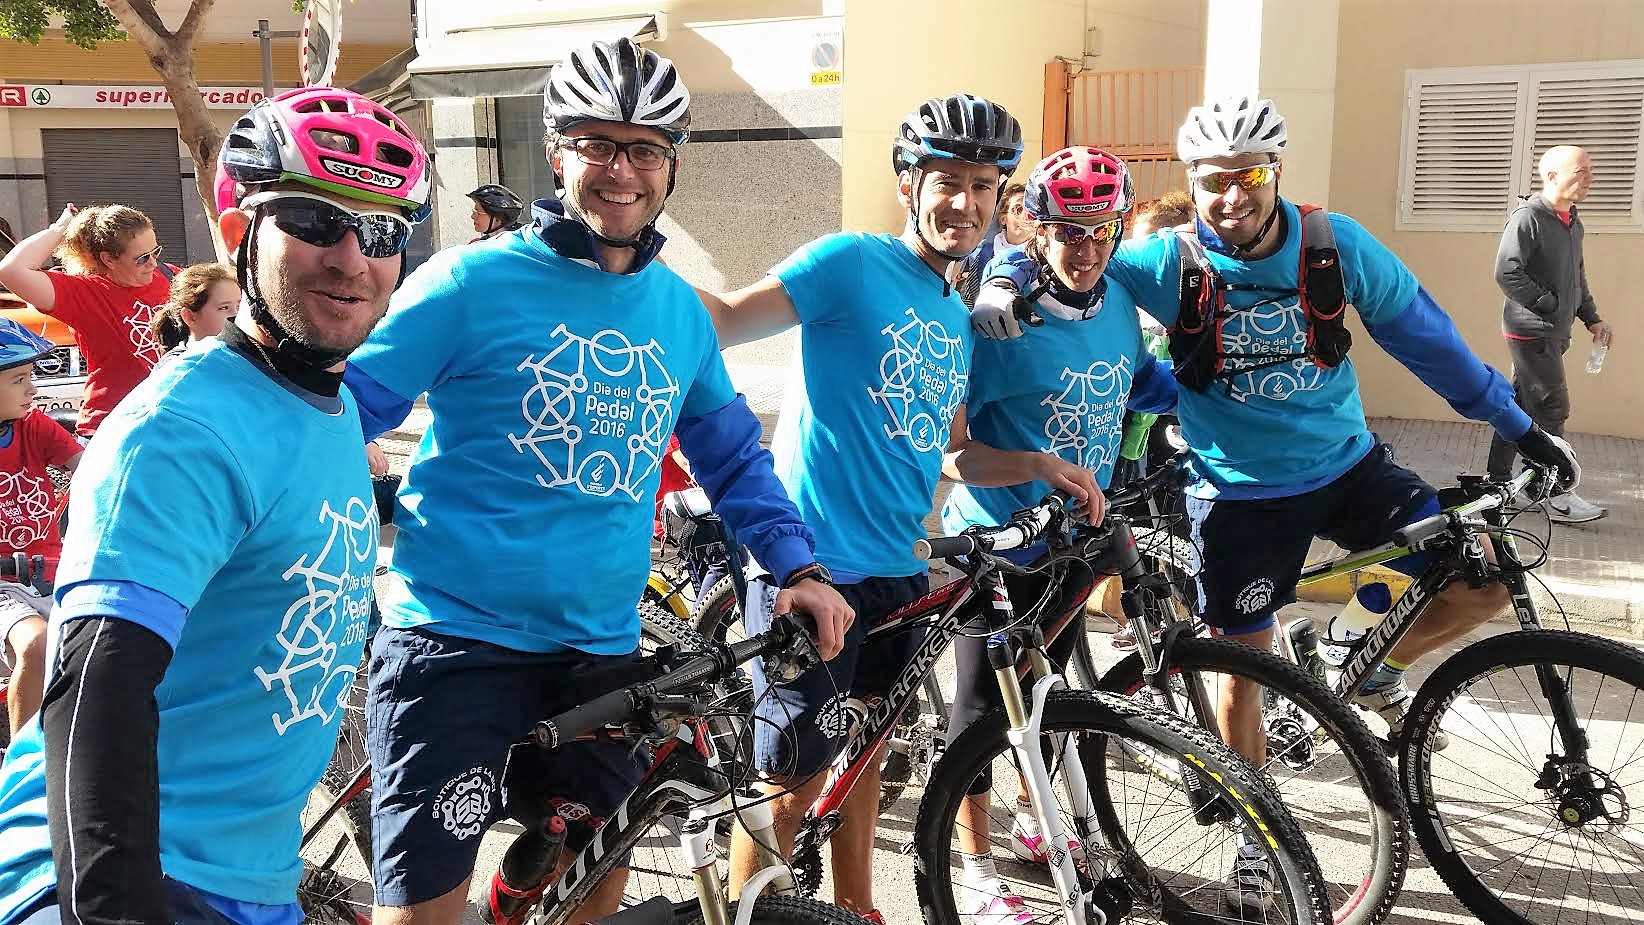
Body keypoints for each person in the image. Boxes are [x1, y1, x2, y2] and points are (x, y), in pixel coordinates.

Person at [972, 94, 1582, 913]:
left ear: (1277, 173)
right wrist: (1002, 279)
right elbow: (1068, 253)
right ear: (1193, 180)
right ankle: (1256, 842)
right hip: (1236, 493)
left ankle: (1358, 660)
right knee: (1242, 672)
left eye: (1250, 177)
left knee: (1483, 575)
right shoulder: (1166, 261)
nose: (1232, 195)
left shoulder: (1333, 245)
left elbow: (1428, 340)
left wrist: (1521, 427)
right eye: (1214, 179)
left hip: (1349, 466)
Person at [339, 38, 850, 925]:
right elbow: (342, 412)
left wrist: (797, 568)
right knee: (419, 915)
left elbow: (732, 457)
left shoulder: (678, 310)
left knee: (594, 876)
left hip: (600, 650)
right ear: (556, 150)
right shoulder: (468, 280)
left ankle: (511, 899)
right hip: (456, 642)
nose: (622, 170)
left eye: (646, 148)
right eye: (597, 144)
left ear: (673, 163)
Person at [0, 86, 433, 925]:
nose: (352, 258)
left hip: (247, 878)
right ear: (239, 233)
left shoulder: (328, 405)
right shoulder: (183, 428)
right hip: (116, 874)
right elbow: (96, 688)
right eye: (315, 221)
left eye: (381, 232)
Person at [696, 93, 1032, 923]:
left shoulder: (954, 314)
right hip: (812, 566)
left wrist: (1037, 464)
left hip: (898, 570)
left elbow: (954, 449)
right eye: (946, 181)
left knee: (864, 755)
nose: (965, 202)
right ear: (908, 183)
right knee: (788, 781)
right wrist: (621, 265)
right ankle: (746, 915)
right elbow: (727, 319)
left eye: (983, 185)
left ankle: (857, 909)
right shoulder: (850, 261)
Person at [949, 146, 1174, 924]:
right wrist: (1037, 467)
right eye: (1070, 230)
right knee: (984, 710)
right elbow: (951, 449)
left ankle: (1031, 813)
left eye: (1101, 230)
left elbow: (1139, 381)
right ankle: (974, 866)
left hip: (1075, 543)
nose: (1086, 249)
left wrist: (1211, 397)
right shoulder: (1000, 323)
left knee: (1046, 696)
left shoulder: (1117, 303)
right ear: (1037, 228)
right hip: (997, 543)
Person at [1484, 145, 1612, 522]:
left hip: (1554, 330)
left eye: (1590, 171)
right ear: (1553, 176)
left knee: (1518, 407)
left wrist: (1592, 319)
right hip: (1531, 331)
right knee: (1553, 408)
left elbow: (1577, 279)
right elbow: (1507, 272)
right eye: (1581, 171)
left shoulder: (1572, 222)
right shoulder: (1528, 218)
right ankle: (1556, 494)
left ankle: (1495, 484)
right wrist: (1548, 304)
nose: (1589, 179)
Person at [0, 204, 175, 440]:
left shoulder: (171, 276)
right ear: (108, 259)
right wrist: (59, 228)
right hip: (112, 429)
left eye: (156, 252)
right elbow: (10, 271)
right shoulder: (85, 292)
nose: (152, 263)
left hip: (172, 422)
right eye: (142, 258)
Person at [0, 319, 82, 738]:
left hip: (51, 571)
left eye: (31, 377)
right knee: (37, 644)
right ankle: (23, 765)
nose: (32, 389)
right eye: (19, 380)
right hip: (4, 583)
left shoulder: (33, 426)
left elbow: (91, 471)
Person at [956, 181, 1035, 306]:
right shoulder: (985, 253)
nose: (1025, 217)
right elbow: (969, 298)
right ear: (1003, 219)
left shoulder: (1043, 258)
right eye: (1018, 209)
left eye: (1030, 211)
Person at [149, 262, 240, 367]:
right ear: (189, 316)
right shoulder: (178, 368)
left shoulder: (240, 354)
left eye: (239, 306)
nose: (236, 315)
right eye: (224, 308)